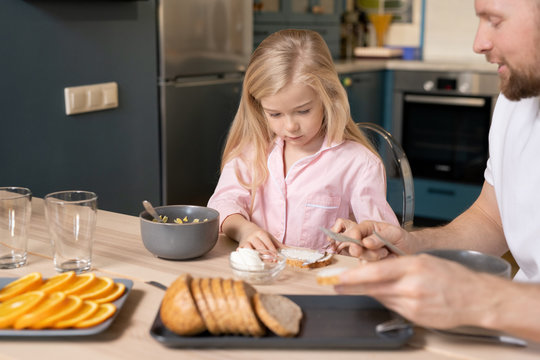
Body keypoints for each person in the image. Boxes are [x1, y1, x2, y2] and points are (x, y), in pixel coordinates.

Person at [331, 0, 540, 342]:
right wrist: (411, 245)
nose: (479, 43)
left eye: (494, 21)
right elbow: (493, 219)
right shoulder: (516, 100)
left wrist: (478, 299)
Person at [207, 29, 398, 251]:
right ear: (259, 108)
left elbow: (385, 239)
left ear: (328, 97)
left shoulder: (359, 164)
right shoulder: (252, 152)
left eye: (303, 111)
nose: (290, 126)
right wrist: (244, 230)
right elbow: (223, 204)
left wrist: (359, 238)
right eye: (275, 114)